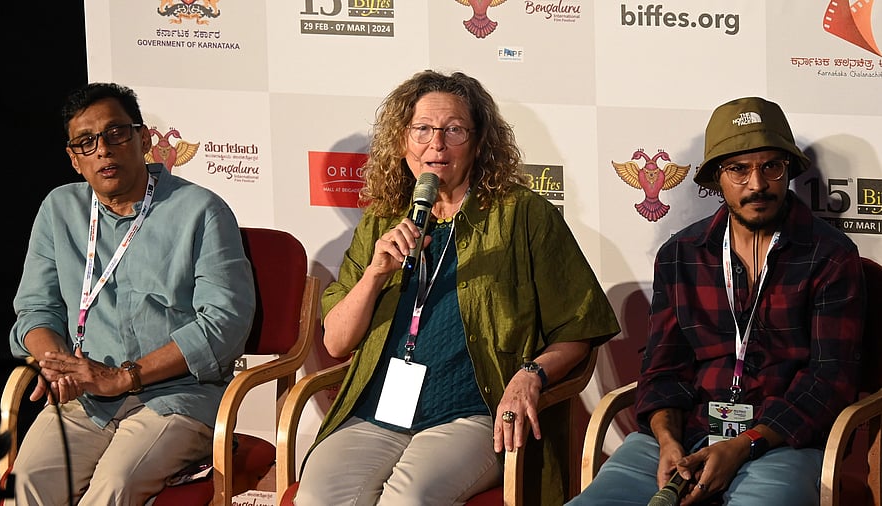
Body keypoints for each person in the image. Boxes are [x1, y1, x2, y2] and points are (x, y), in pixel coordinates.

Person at [293, 69, 620, 505]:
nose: (436, 145)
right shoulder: (382, 218)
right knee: (317, 498)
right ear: (402, 140)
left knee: (410, 500)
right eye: (422, 130)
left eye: (454, 130)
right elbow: (336, 341)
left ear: (480, 142)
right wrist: (375, 274)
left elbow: (579, 328)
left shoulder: (523, 214)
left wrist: (531, 374)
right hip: (380, 411)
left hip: (471, 413)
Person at [566, 97, 865, 506]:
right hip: (683, 438)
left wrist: (743, 446)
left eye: (770, 166)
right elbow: (662, 368)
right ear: (715, 179)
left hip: (782, 442)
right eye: (739, 169)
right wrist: (668, 441)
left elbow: (829, 383)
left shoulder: (831, 257)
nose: (757, 184)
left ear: (789, 170)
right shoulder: (680, 255)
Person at [7, 82, 256, 505]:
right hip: (85, 396)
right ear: (74, 159)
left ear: (142, 139)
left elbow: (224, 324)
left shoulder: (201, 211)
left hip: (177, 396)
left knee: (114, 485)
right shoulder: (59, 210)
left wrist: (126, 376)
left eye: (115, 133)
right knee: (27, 481)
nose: (103, 149)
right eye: (86, 142)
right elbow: (35, 309)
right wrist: (58, 364)